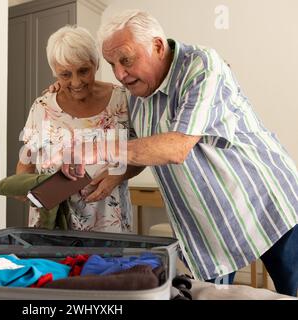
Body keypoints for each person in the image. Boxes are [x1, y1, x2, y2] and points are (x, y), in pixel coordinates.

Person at [59, 10, 298, 296]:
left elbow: (176, 147)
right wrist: (114, 176)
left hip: (266, 201)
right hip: (208, 225)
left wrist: (96, 149)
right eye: (112, 64)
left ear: (157, 46)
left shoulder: (201, 65)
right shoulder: (136, 94)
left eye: (126, 59)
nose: (120, 73)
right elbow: (144, 149)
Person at [16, 25, 143, 233]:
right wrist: (24, 189)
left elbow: (141, 155)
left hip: (109, 223)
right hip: (52, 227)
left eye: (83, 71)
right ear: (54, 72)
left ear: (97, 63)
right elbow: (25, 165)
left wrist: (117, 175)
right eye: (65, 75)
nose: (76, 82)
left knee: (113, 267)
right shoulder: (42, 107)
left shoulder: (123, 101)